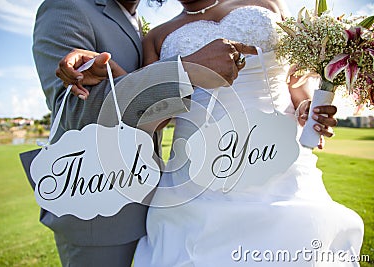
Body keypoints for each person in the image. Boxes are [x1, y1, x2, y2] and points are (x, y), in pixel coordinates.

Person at [128, 0, 363, 266]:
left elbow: (294, 79)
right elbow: (154, 118)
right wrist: (188, 70)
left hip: (277, 161)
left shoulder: (267, 4)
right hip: (197, 181)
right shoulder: (156, 36)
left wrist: (307, 106)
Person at [32, 0, 254, 266]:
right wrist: (187, 69)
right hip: (99, 217)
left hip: (161, 202)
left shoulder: (137, 23)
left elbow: (147, 110)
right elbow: (75, 113)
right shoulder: (67, 8)